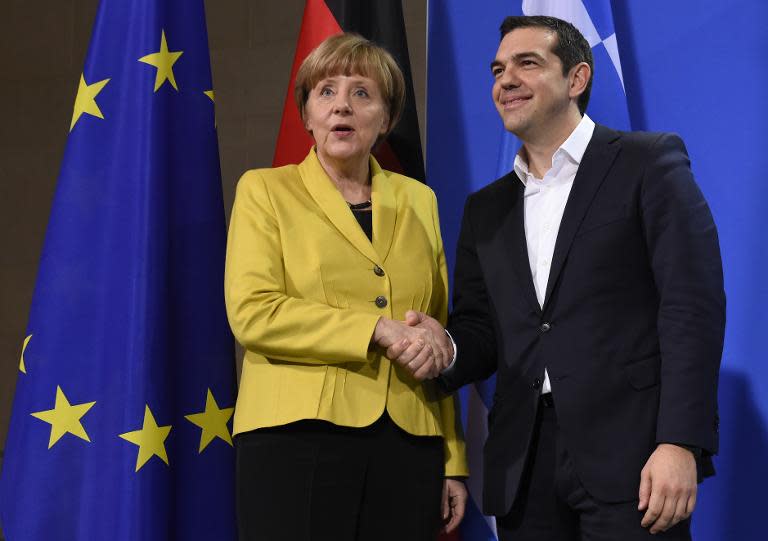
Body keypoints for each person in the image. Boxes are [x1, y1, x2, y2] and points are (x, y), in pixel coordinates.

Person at [389, 15, 725, 541]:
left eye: (528, 63)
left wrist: (680, 441)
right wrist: (447, 346)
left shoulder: (647, 162)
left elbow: (691, 307)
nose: (506, 80)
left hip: (634, 460)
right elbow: (481, 327)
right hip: (524, 466)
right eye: (498, 69)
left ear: (577, 79)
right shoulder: (487, 208)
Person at [224, 33, 468, 541]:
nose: (342, 105)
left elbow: (434, 331)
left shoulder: (419, 199)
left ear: (386, 118)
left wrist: (453, 457)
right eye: (326, 92)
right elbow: (253, 312)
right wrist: (374, 329)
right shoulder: (264, 191)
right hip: (296, 437)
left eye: (362, 93)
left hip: (409, 443)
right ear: (307, 114)